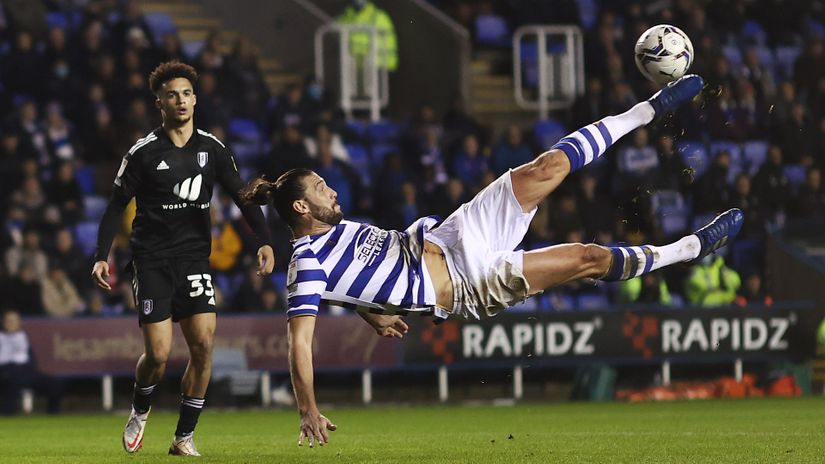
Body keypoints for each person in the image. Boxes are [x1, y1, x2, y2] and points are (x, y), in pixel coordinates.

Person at [241, 74, 744, 447]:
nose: (332, 189)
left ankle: (646, 110)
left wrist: (369, 311)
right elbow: (299, 343)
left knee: (546, 166)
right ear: (302, 208)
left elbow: (350, 280)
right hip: (467, 284)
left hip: (453, 233)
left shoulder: (334, 232)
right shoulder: (305, 264)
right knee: (585, 258)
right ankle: (688, 250)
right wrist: (307, 408)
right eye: (320, 189)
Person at [90, 61, 275, 456]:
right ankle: (140, 409)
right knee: (157, 354)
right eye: (172, 94)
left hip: (193, 259)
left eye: (187, 93)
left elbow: (241, 196)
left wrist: (264, 239)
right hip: (152, 259)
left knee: (204, 345)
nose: (181, 100)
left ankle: (183, 437)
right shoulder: (142, 153)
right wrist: (100, 255)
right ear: (159, 102)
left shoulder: (213, 149)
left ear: (196, 99)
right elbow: (114, 206)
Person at [0, 309, 63, 415]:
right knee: (12, 381)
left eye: (15, 320)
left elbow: (31, 358)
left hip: (26, 370)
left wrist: (30, 368)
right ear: (3, 322)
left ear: (19, 322)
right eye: (9, 320)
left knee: (55, 383)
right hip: (6, 372)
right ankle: (7, 414)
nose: (12, 323)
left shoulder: (22, 336)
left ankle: (53, 415)